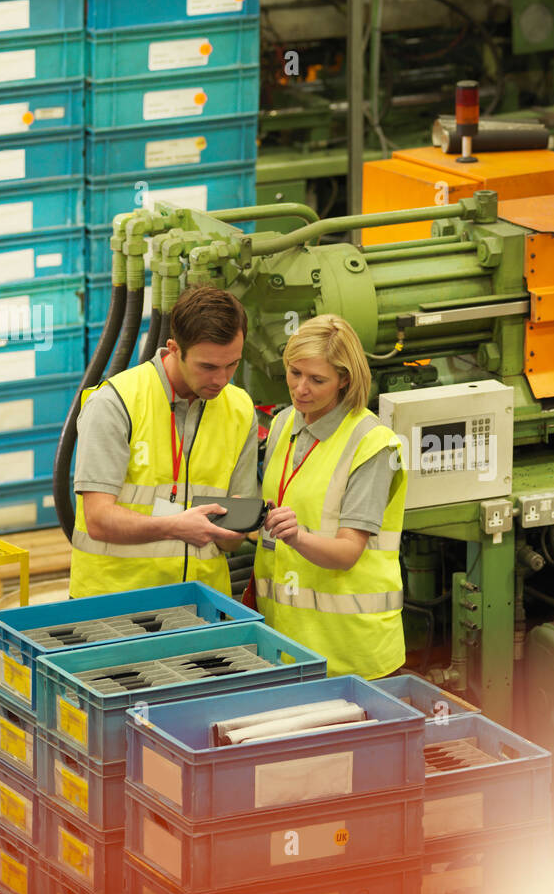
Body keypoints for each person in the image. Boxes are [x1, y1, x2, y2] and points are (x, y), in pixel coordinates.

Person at [69, 286, 258, 598]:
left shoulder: (239, 409)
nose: (221, 379)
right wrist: (176, 525)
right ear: (174, 349)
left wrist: (254, 518)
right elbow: (99, 519)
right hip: (114, 605)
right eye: (208, 366)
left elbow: (232, 538)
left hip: (201, 605)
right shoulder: (116, 402)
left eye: (232, 364)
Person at [255, 314, 407, 679]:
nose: (301, 389)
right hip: (286, 644)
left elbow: (347, 552)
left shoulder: (372, 446)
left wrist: (297, 537)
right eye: (294, 373)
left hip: (349, 654)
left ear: (345, 379)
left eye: (317, 379)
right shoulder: (283, 424)